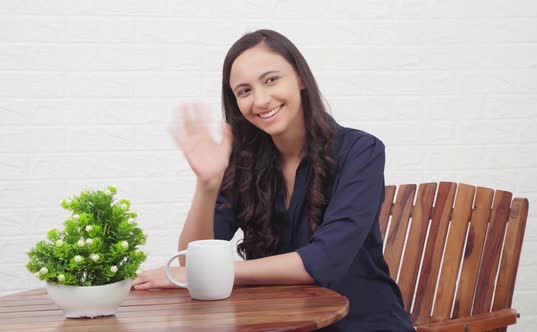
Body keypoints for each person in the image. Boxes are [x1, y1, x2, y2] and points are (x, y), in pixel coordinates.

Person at [132, 29, 415, 331]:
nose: (261, 100)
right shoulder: (245, 163)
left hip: (363, 324)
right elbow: (192, 263)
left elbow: (325, 260)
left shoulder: (360, 152)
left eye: (271, 80)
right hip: (279, 323)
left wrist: (218, 272)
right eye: (244, 91)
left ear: (301, 79)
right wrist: (207, 185)